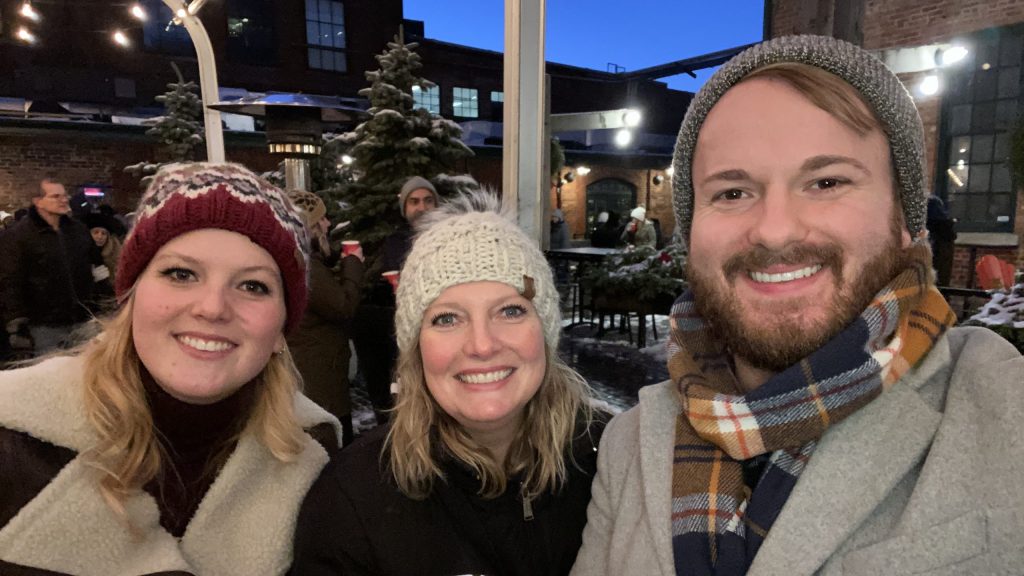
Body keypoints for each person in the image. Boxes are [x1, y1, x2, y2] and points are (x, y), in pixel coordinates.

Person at [571, 35, 1024, 576]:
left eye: (826, 181)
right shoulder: (629, 444)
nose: (775, 229)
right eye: (732, 193)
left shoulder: (1004, 408)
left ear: (905, 222)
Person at [0, 163, 342, 575]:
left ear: (281, 331)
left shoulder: (313, 461)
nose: (212, 308)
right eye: (181, 274)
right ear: (132, 296)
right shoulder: (12, 437)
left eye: (253, 285)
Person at [292, 190, 606, 576]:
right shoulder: (353, 499)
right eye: (447, 319)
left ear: (545, 331)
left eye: (510, 310)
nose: (482, 345)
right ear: (416, 347)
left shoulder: (609, 462)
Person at [352, 175, 440, 423]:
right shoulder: (395, 242)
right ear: (405, 208)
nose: (421, 207)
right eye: (414, 202)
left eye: (427, 200)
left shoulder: (448, 237)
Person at [286, 189, 365, 444]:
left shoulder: (298, 258)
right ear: (310, 226)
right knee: (330, 448)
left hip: (309, 376)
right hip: (319, 383)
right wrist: (353, 263)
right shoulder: (306, 266)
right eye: (323, 218)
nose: (328, 223)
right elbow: (342, 306)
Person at [0, 177, 94, 355]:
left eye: (65, 195)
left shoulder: (78, 230)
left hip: (83, 321)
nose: (64, 200)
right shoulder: (18, 236)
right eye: (56, 196)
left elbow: (95, 268)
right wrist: (16, 324)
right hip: (44, 325)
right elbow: (9, 282)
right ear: (38, 201)